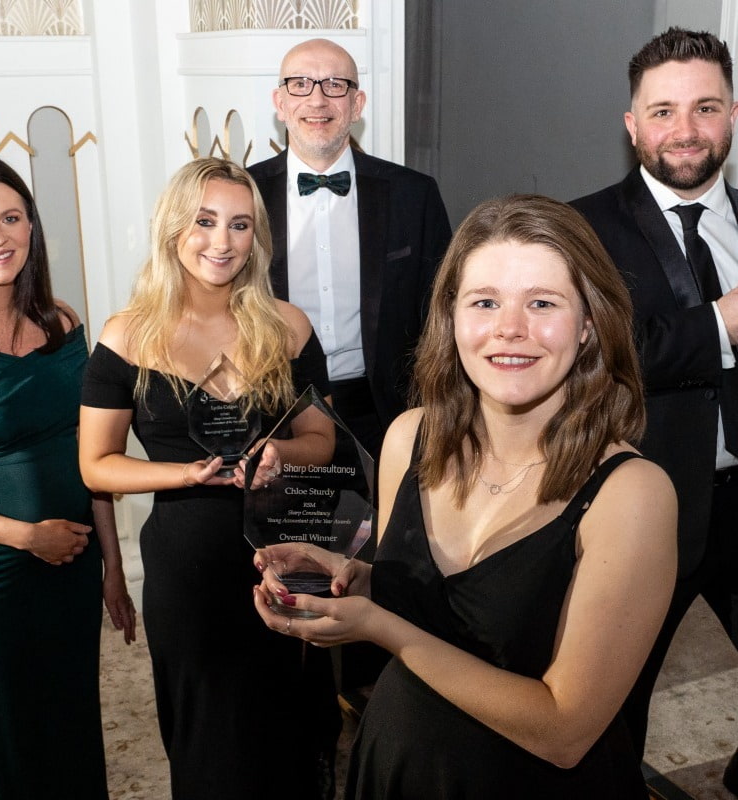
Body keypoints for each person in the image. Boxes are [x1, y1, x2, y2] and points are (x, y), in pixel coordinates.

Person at [253, 194, 677, 798]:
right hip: (398, 766)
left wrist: (378, 627)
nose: (510, 328)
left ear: (588, 325)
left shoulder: (632, 493)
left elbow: (564, 730)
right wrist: (353, 579)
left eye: (542, 303)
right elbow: (443, 609)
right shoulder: (409, 438)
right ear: (450, 319)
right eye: (485, 302)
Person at [78, 157, 340, 799]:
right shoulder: (128, 335)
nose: (221, 241)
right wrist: (182, 473)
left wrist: (281, 451)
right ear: (174, 228)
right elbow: (96, 463)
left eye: (240, 225)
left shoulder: (287, 326)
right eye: (204, 221)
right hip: (187, 569)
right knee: (206, 741)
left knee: (290, 729)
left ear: (257, 238)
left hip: (280, 553)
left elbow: (323, 438)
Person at [570, 28, 738, 786]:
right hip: (642, 501)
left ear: (731, 114)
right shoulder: (579, 230)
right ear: (631, 124)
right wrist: (722, 322)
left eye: (704, 107)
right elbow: (598, 352)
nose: (685, 130)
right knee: (610, 690)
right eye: (663, 110)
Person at [0, 154, 135, 800]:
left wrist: (111, 564)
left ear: (32, 227)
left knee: (73, 726)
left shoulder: (62, 322)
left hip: (71, 568)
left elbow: (90, 454)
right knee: (11, 741)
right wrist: (26, 537)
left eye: (11, 218)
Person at [248, 37, 452, 463]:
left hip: (384, 414)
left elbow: (443, 311)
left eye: (335, 85)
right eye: (300, 84)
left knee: (391, 529)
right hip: (271, 415)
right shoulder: (240, 195)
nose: (317, 99)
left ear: (357, 104)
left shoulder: (414, 195)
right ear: (279, 103)